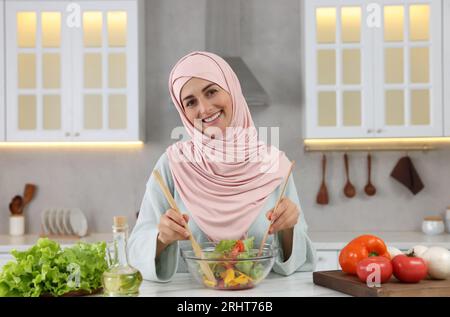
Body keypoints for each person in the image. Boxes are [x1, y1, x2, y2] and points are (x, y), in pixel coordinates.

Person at [128, 51, 316, 282]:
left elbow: (300, 260)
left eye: (211, 91)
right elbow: (135, 250)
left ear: (232, 90)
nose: (205, 109)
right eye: (190, 102)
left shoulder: (273, 164)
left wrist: (288, 229)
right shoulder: (172, 163)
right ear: (183, 112)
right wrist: (160, 238)